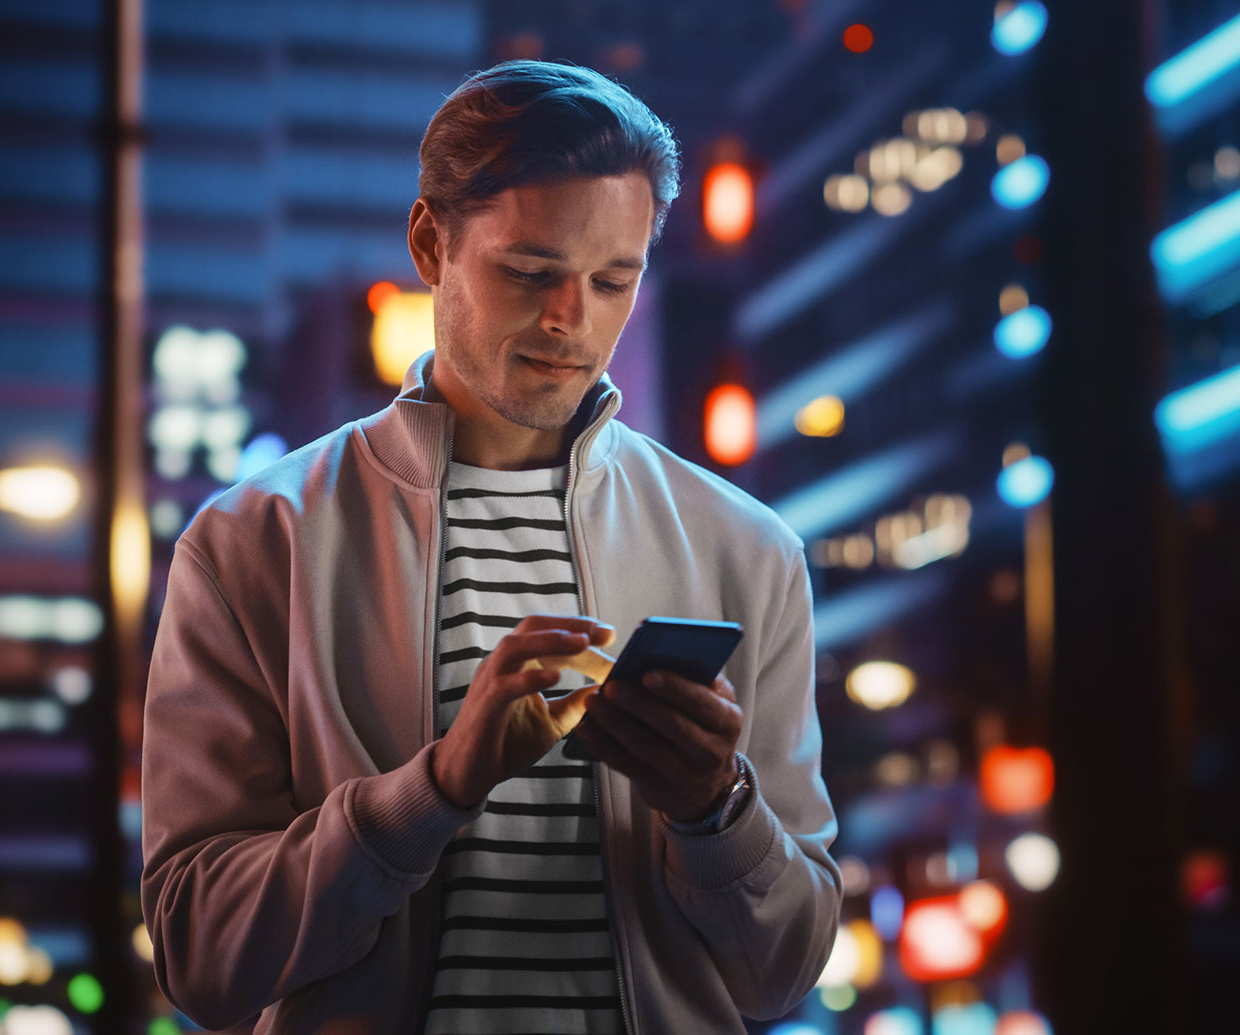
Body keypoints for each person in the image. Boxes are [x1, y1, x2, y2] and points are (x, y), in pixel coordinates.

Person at [140, 60, 841, 1033]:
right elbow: (199, 956)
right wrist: (435, 789)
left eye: (612, 280)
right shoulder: (255, 543)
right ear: (431, 242)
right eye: (530, 272)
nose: (571, 319)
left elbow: (786, 974)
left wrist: (715, 810)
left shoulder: (748, 551)